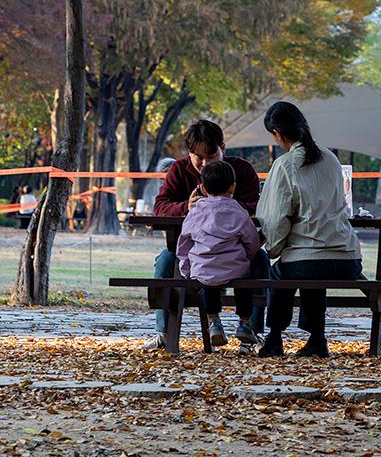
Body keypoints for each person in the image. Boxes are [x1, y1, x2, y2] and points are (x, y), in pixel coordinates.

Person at [143, 119, 268, 351]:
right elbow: (160, 206)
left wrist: (220, 208)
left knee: (260, 259)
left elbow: (256, 204)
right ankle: (164, 331)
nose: (204, 163)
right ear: (188, 153)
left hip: (234, 250)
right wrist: (186, 207)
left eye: (211, 156)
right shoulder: (179, 170)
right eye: (198, 157)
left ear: (223, 148)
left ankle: (252, 332)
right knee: (165, 261)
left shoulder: (242, 170)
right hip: (196, 251)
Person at [256, 101, 361, 358]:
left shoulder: (285, 164)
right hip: (348, 257)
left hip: (309, 260)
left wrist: (273, 248)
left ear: (277, 134)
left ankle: (274, 337)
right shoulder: (331, 158)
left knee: (282, 272)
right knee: (312, 266)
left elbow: (276, 218)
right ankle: (317, 337)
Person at [176, 161, 264, 348]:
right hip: (235, 267)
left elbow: (183, 244)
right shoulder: (239, 212)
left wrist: (186, 269)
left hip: (203, 268)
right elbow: (252, 241)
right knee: (245, 281)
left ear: (203, 189)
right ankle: (244, 322)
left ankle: (214, 321)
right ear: (233, 187)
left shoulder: (195, 212)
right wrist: (246, 258)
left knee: (208, 279)